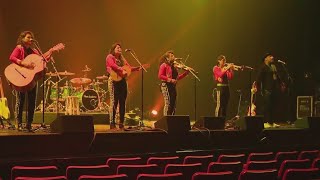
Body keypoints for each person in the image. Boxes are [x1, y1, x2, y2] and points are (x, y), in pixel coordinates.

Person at [9, 31, 53, 132]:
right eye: (28, 37)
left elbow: (42, 59)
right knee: (20, 100)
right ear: (23, 38)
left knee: (32, 101)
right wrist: (23, 63)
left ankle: (29, 124)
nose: (30, 39)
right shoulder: (19, 48)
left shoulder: (34, 50)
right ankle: (19, 123)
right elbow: (12, 57)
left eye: (31, 37)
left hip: (31, 78)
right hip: (20, 77)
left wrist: (50, 53)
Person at [106, 43, 141, 129]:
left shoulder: (122, 59)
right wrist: (121, 69)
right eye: (117, 47)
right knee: (114, 101)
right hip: (113, 80)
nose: (119, 49)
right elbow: (112, 65)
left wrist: (136, 68)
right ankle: (112, 123)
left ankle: (121, 122)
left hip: (122, 81)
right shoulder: (110, 57)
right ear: (113, 49)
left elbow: (128, 68)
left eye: (120, 48)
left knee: (122, 102)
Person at [253, 53, 281, 128]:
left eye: (272, 56)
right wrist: (257, 87)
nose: (272, 57)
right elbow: (258, 79)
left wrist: (280, 84)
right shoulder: (263, 67)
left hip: (274, 89)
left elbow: (277, 77)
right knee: (267, 106)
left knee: (273, 106)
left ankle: (272, 122)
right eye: (270, 56)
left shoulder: (273, 66)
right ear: (265, 59)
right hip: (266, 89)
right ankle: (266, 122)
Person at [158, 50, 189, 116]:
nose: (173, 57)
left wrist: (186, 73)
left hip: (172, 86)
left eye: (173, 55)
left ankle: (172, 118)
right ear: (167, 58)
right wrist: (171, 80)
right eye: (171, 56)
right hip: (166, 85)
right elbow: (160, 75)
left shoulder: (174, 67)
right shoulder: (164, 65)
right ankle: (166, 119)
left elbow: (177, 78)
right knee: (168, 103)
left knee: (173, 103)